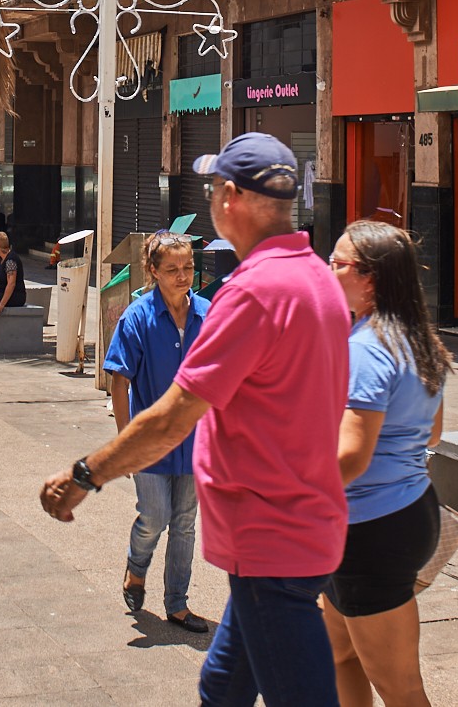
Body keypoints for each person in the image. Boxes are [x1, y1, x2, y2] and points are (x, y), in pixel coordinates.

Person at [39, 133, 347, 707]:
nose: (208, 200)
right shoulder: (317, 277)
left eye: (211, 188)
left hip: (271, 536)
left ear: (230, 196)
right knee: (220, 689)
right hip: (301, 523)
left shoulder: (250, 293)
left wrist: (86, 474)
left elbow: (175, 414)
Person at [323, 221, 453, 707]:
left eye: (337, 263)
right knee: (338, 655)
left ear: (370, 278)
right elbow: (433, 432)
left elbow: (351, 456)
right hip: (404, 511)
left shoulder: (367, 348)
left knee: (401, 688)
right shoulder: (415, 338)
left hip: (369, 530)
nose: (326, 269)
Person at [104, 231, 210, 632]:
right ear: (153, 271)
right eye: (172, 270)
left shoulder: (207, 313)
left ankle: (177, 604)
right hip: (149, 443)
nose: (183, 277)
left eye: (188, 268)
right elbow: (119, 381)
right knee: (155, 516)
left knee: (184, 522)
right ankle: (136, 566)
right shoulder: (138, 317)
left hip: (196, 441)